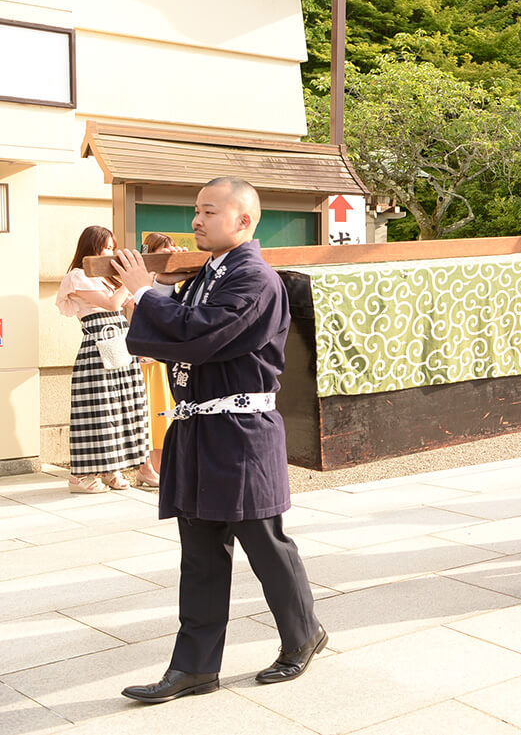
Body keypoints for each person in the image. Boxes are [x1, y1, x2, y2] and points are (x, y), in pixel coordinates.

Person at [114, 177, 325, 703]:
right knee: (201, 554)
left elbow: (199, 332)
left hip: (241, 433)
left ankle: (304, 636)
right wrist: (142, 303)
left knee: (265, 544)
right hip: (197, 428)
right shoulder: (207, 274)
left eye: (209, 211)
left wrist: (143, 294)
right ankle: (193, 668)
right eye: (196, 211)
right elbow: (179, 331)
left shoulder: (254, 278)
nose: (196, 220)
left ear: (243, 220)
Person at [55, 226, 152, 493]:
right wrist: (126, 281)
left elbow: (132, 303)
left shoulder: (108, 277)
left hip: (122, 344)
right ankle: (80, 476)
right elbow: (111, 304)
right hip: (97, 349)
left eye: (113, 247)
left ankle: (112, 468)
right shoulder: (77, 276)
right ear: (93, 247)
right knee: (97, 409)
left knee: (124, 407)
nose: (111, 252)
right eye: (107, 247)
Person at [136, 232, 180, 487]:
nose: (171, 251)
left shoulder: (172, 278)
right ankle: (148, 466)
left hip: (165, 357)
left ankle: (158, 466)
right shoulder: (145, 279)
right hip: (149, 359)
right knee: (152, 412)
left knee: (165, 413)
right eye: (164, 249)